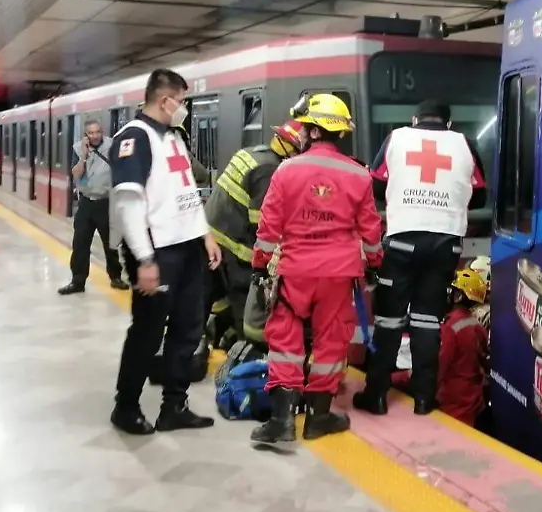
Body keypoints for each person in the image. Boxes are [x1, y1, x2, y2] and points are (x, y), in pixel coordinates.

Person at [249, 93, 383, 445]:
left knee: (285, 341)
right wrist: (374, 264)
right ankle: (318, 418)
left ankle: (281, 420)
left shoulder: (286, 169)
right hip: (339, 275)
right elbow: (371, 231)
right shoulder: (359, 174)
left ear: (310, 130)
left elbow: (268, 226)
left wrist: (260, 265)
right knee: (330, 342)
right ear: (340, 134)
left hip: (295, 272)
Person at [108, 68, 223, 435]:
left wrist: (204, 234)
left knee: (188, 329)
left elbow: (186, 194)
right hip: (157, 252)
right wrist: (144, 259)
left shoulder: (173, 138)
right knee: (148, 331)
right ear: (165, 100)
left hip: (188, 250)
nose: (184, 108)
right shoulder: (134, 139)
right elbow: (128, 204)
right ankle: (125, 407)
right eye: (182, 101)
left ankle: (174, 405)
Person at [354, 99, 487, 416]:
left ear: (414, 120)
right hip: (446, 243)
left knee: (389, 320)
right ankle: (425, 399)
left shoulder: (397, 137)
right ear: (448, 123)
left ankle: (377, 395)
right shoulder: (464, 143)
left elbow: (374, 184)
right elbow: (480, 194)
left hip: (403, 238)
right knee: (428, 319)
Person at [205, 119, 304, 348]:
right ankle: (244, 345)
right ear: (292, 149)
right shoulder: (269, 170)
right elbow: (260, 223)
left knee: (219, 293)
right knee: (245, 296)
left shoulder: (253, 153)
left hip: (213, 234)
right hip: (233, 243)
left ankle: (222, 331)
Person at [391, 268, 489, 426]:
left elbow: (433, 370)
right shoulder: (476, 325)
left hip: (452, 409)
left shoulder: (450, 328)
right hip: (472, 404)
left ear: (457, 296)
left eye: (449, 291)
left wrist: (394, 379)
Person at [58, 119, 129, 295]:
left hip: (107, 201)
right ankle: (77, 281)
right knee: (80, 243)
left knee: (110, 243)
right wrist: (83, 156)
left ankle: (115, 277)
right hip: (86, 202)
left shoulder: (113, 146)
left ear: (102, 131)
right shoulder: (77, 148)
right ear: (86, 134)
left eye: (97, 132)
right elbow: (75, 173)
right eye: (91, 133)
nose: (95, 136)